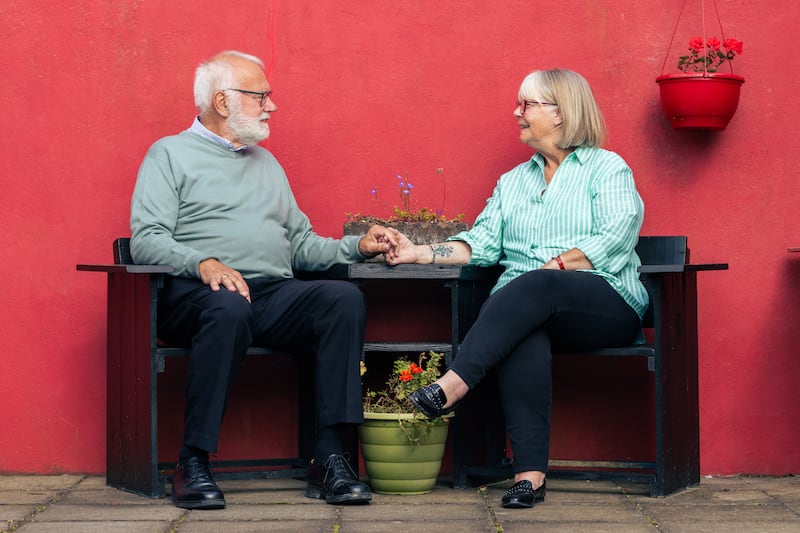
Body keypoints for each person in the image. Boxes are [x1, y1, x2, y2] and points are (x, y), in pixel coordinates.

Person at [130, 50, 396, 510]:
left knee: (342, 299)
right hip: (198, 296)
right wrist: (204, 264)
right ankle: (192, 461)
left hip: (270, 295)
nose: (271, 106)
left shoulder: (267, 165)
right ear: (221, 101)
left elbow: (302, 246)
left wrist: (357, 246)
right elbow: (146, 239)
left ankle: (330, 460)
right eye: (260, 96)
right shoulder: (168, 154)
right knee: (228, 306)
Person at [384, 69, 647, 509]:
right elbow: (482, 244)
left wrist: (560, 265)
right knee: (524, 330)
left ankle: (451, 385)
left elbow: (619, 232)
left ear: (560, 113)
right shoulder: (513, 182)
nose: (516, 112)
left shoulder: (607, 167)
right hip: (528, 309)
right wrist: (418, 253)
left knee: (537, 283)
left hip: (602, 304)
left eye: (527, 104)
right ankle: (529, 476)